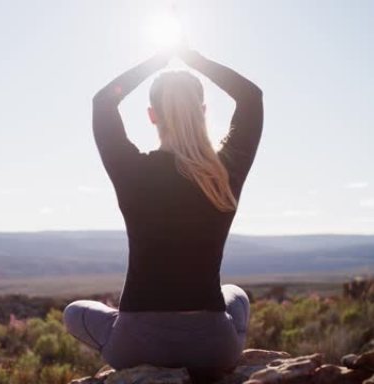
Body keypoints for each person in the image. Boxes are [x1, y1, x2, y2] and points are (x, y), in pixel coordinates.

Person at [62, 47, 263, 381]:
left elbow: (103, 102)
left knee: (75, 313)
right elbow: (251, 97)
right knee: (237, 296)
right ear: (202, 110)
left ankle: (124, 327)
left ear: (152, 115)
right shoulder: (222, 173)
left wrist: (160, 57)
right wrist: (190, 56)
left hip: (136, 344)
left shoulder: (132, 171)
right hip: (212, 346)